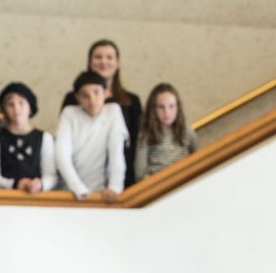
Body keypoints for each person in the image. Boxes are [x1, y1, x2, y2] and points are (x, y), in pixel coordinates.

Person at [60, 39, 142, 186]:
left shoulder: (131, 100)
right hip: (81, 174)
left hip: (121, 175)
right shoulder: (72, 99)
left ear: (118, 63)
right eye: (98, 57)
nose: (103, 62)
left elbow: (137, 141)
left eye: (109, 57)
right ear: (90, 62)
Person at [55, 71, 126, 201]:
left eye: (96, 93)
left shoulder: (113, 111)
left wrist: (115, 187)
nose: (92, 100)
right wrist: (79, 188)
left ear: (106, 93)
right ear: (77, 97)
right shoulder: (69, 114)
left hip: (101, 193)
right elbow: (61, 155)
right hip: (69, 192)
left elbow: (116, 152)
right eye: (85, 95)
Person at [0, 82, 57, 193]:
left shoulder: (44, 138)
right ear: (4, 110)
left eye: (21, 103)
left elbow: (51, 175)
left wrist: (41, 184)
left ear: (30, 107)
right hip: (5, 198)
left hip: (36, 197)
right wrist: (14, 184)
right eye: (11, 104)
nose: (16, 109)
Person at [134, 83, 199, 181]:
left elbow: (198, 158)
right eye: (161, 107)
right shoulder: (145, 135)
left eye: (171, 106)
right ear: (153, 109)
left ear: (178, 107)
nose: (167, 112)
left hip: (185, 181)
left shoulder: (187, 131)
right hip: (159, 184)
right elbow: (139, 174)